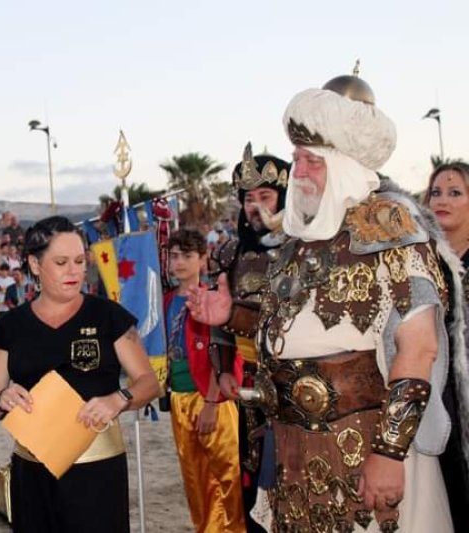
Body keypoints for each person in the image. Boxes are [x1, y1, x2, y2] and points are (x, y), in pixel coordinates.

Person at [192, 70, 462, 532]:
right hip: (296, 452)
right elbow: (303, 330)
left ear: (343, 164)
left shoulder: (392, 231)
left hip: (368, 450)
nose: (299, 173)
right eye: (297, 161)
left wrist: (390, 453)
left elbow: (419, 348)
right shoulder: (299, 242)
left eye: (310, 161)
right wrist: (232, 316)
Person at [0, 215, 160, 533]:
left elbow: (149, 383)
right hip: (33, 469)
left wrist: (119, 399)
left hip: (97, 468)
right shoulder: (9, 327)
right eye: (61, 262)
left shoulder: (109, 316)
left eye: (79, 261)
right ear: (35, 265)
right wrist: (3, 397)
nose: (74, 271)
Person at [214, 143, 290, 532]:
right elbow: (219, 317)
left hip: (294, 378)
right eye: (248, 198)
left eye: (266, 196)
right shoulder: (230, 253)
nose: (255, 205)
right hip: (246, 381)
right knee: (251, 467)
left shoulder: (302, 247)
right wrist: (223, 369)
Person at [164, 229, 245, 532]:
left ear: (202, 259)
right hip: (178, 398)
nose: (179, 262)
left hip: (212, 397)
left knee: (229, 476)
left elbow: (223, 353)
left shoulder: (213, 299)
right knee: (196, 480)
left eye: (187, 255)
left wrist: (212, 402)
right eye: (174, 256)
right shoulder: (166, 300)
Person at [423, 161, 469, 531]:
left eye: (455, 192)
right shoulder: (421, 262)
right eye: (436, 191)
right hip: (435, 396)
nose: (443, 200)